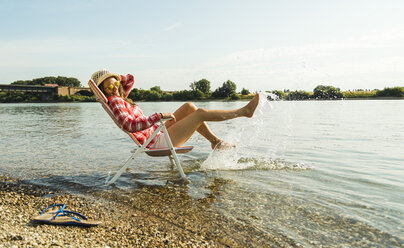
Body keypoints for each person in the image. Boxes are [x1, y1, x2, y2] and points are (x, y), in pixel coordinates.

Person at [91, 69, 260, 149]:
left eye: (115, 84)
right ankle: (243, 112)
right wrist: (157, 116)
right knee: (199, 113)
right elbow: (129, 125)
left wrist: (116, 81)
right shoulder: (116, 101)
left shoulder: (121, 99)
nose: (113, 88)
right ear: (104, 92)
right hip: (155, 142)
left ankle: (215, 143)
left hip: (156, 134)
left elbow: (129, 80)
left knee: (190, 107)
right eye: (108, 87)